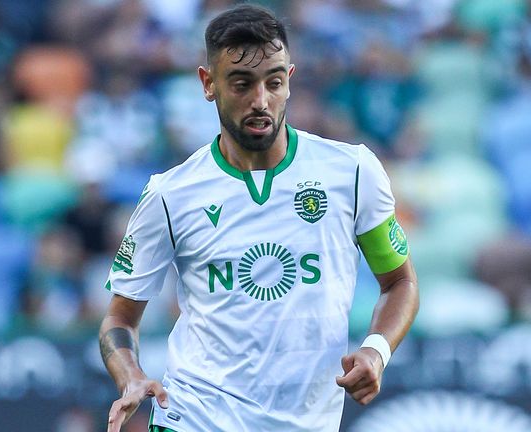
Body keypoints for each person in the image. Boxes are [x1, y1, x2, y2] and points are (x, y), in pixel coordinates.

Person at [99, 4, 419, 431]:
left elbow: (400, 282)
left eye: (274, 81)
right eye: (242, 84)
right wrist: (131, 376)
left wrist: (377, 350)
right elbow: (120, 318)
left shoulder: (353, 172)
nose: (261, 101)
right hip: (194, 417)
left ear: (290, 78)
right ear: (208, 83)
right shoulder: (170, 194)